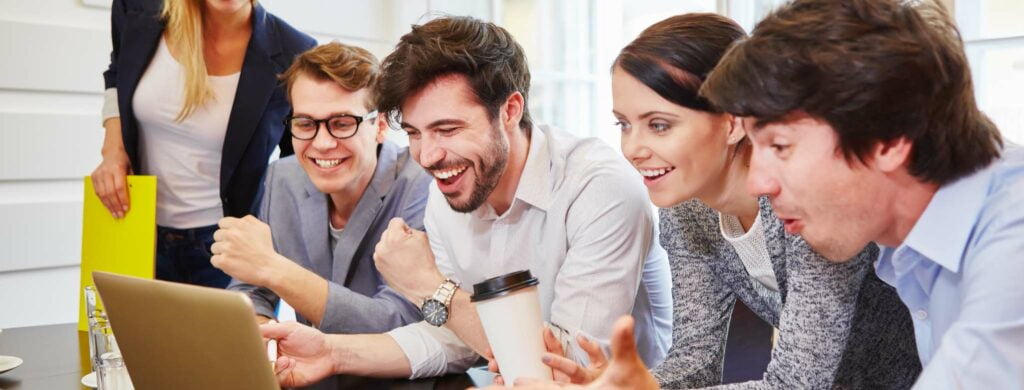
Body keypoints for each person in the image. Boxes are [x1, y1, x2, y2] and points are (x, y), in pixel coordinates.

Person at [544, 0, 1024, 389]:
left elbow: (803, 380)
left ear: (888, 140)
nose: (758, 182)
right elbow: (698, 357)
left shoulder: (1010, 234)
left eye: (780, 146)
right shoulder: (906, 252)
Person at [257, 16, 673, 387]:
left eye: (448, 128)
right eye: (416, 133)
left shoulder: (600, 188)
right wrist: (332, 352)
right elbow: (451, 338)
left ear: (510, 110)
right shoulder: (452, 186)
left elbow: (564, 371)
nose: (427, 156)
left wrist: (430, 288)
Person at [208, 42, 429, 336]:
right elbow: (251, 290)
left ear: (381, 126)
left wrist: (275, 268)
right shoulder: (282, 177)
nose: (322, 143)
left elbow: (403, 320)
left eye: (342, 123)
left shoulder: (421, 185)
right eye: (305, 123)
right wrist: (266, 342)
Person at [91, 0, 314, 287]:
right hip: (132, 227)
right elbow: (117, 73)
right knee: (127, 332)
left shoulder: (294, 52)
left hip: (225, 246)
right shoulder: (136, 8)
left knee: (222, 334)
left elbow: (295, 160)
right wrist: (113, 150)